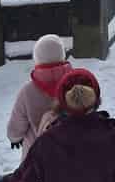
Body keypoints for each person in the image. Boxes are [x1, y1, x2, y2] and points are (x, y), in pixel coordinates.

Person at [6, 34, 72, 162]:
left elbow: (18, 121)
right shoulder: (75, 83)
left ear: (37, 58)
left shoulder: (28, 91)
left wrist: (14, 137)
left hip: (38, 158)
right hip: (72, 152)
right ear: (62, 55)